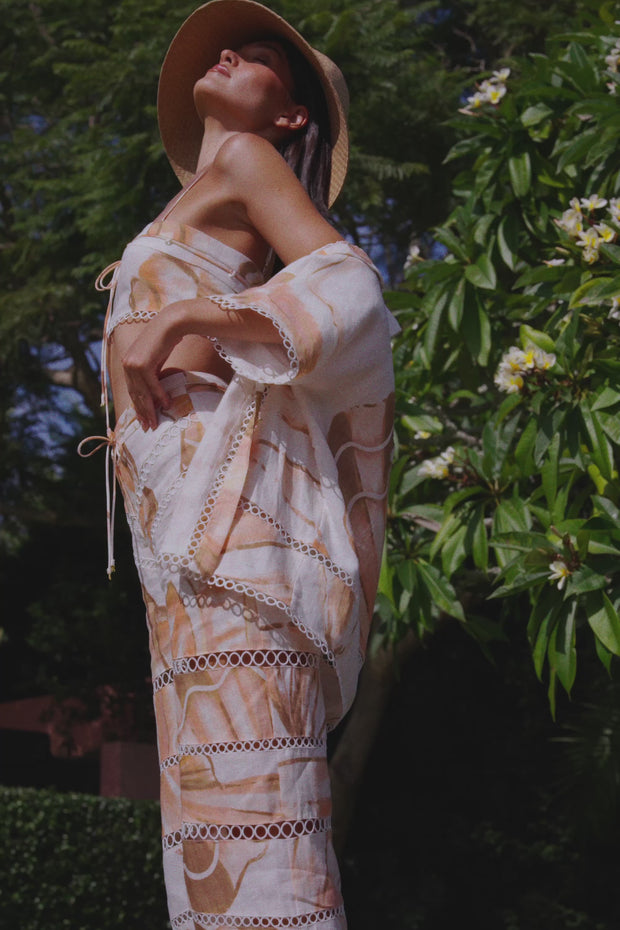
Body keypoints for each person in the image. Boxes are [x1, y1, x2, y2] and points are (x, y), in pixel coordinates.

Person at [83, 1, 398, 927]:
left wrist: (189, 315)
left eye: (257, 55)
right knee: (212, 835)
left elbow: (352, 293)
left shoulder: (250, 159)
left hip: (231, 539)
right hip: (180, 542)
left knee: (259, 824)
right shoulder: (196, 193)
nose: (224, 52)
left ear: (291, 114)